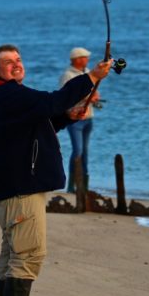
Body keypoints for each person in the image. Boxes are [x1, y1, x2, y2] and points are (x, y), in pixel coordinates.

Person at [0, 44, 112, 296]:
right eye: (8, 62)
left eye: (18, 60)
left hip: (14, 186)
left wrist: (68, 118)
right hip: (19, 187)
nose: (16, 65)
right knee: (28, 254)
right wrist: (91, 76)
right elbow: (51, 102)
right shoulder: (9, 94)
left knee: (11, 254)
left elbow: (44, 118)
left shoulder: (9, 96)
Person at [58, 47, 101, 193]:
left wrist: (95, 97)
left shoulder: (88, 72)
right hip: (74, 119)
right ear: (77, 59)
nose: (87, 60)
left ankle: (84, 186)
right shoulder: (67, 75)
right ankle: (71, 186)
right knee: (78, 151)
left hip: (88, 117)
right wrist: (88, 97)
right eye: (85, 57)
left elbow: (93, 91)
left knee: (85, 152)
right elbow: (66, 95)